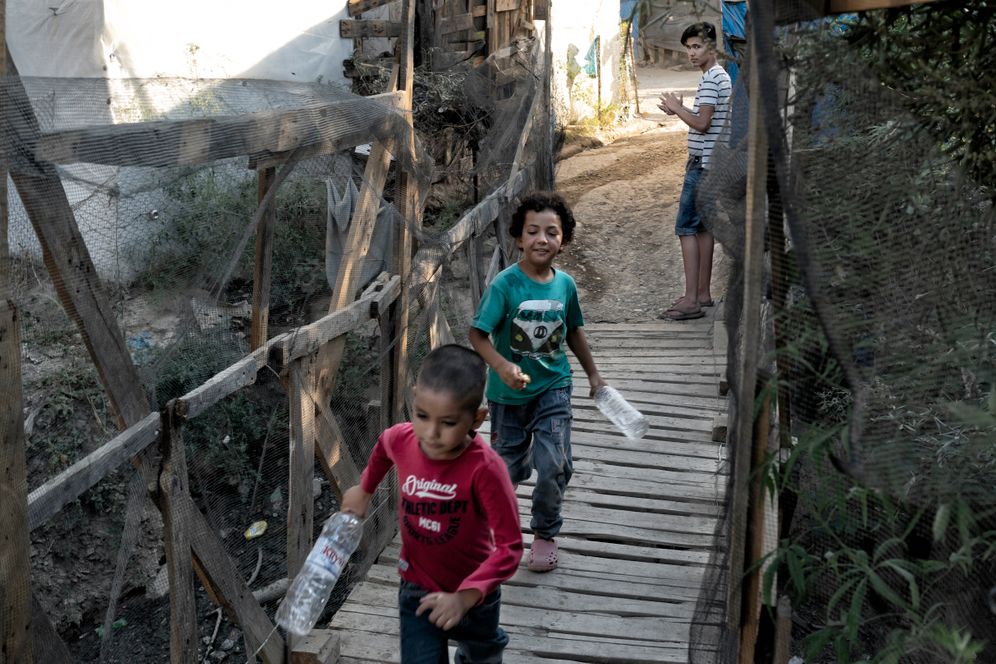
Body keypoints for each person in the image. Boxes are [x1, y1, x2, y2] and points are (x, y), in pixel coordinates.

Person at [340, 344, 523, 664]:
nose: (431, 433)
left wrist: (466, 597)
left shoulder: (486, 469)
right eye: (422, 415)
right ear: (414, 399)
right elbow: (385, 445)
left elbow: (510, 548)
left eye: (448, 423)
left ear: (476, 418)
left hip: (475, 597)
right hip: (417, 587)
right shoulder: (403, 438)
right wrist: (364, 488)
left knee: (481, 655)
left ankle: (486, 646)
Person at [469, 191, 606, 573]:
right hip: (507, 396)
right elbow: (478, 334)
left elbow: (574, 331)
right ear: (518, 237)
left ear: (563, 240)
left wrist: (593, 374)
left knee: (555, 465)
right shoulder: (505, 285)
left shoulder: (565, 286)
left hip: (553, 388)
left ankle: (545, 533)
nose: (541, 239)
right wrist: (500, 366)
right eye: (533, 231)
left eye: (552, 232)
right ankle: (493, 527)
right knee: (506, 472)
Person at [658, 21, 732, 321]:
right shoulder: (715, 77)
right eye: (688, 47)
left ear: (711, 48)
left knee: (686, 227)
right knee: (702, 228)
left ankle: (690, 299)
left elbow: (702, 124)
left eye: (697, 46)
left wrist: (678, 109)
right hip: (712, 164)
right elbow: (704, 121)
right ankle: (702, 294)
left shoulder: (713, 79)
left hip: (703, 165)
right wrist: (680, 110)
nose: (691, 52)